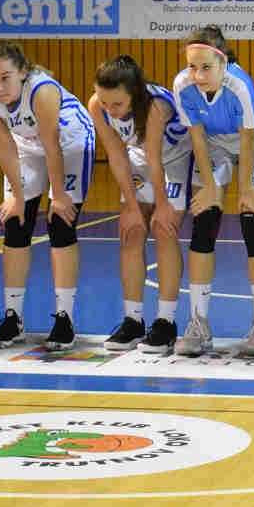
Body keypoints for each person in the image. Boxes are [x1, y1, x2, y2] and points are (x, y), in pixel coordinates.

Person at [0, 42, 95, 352]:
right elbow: (4, 145)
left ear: (22, 72)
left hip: (69, 141)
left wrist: (59, 195)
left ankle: (64, 318)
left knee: (60, 223)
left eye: (5, 78)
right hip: (26, 146)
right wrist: (17, 198)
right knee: (16, 223)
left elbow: (52, 145)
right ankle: (13, 317)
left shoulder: (41, 91)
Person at [170, 26, 254, 358]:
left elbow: (248, 139)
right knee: (203, 220)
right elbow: (197, 136)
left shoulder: (239, 85)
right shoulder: (183, 86)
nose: (198, 75)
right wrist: (210, 187)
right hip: (214, 142)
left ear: (224, 64)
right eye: (192, 67)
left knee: (252, 219)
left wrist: (245, 189)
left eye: (206, 67)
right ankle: (198, 323)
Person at [87, 56, 185, 355]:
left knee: (163, 228)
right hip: (142, 156)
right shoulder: (97, 106)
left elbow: (156, 159)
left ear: (135, 94)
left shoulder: (155, 106)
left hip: (177, 158)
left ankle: (166, 322)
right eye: (104, 101)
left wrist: (163, 205)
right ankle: (133, 320)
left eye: (117, 104)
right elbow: (117, 156)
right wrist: (131, 205)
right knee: (130, 232)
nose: (109, 108)